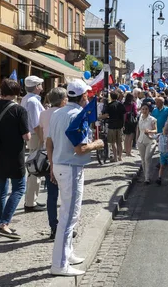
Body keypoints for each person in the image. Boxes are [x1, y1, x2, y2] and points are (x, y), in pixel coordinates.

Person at [47, 80, 103, 277]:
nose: (88, 98)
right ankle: (60, 264)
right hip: (71, 167)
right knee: (68, 218)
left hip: (62, 165)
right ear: (81, 97)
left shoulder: (57, 113)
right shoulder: (77, 116)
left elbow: (50, 141)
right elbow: (80, 149)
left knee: (69, 214)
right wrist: (97, 143)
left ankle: (67, 254)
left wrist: (52, 165)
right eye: (86, 95)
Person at [0, 79, 31, 240]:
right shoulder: (19, 110)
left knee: (0, 189)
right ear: (17, 92)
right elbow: (26, 135)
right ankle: (4, 224)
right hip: (14, 155)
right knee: (19, 188)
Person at [38, 87, 68, 241]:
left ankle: (54, 227)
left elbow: (40, 131)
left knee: (51, 195)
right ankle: (63, 227)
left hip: (48, 155)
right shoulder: (63, 113)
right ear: (63, 99)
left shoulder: (44, 113)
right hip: (61, 156)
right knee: (66, 195)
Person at [20, 75, 46, 212]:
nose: (42, 86)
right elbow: (36, 124)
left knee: (34, 167)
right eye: (40, 84)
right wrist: (43, 139)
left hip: (32, 135)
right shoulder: (33, 101)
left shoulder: (26, 99)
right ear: (36, 87)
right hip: (36, 136)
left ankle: (32, 199)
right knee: (36, 167)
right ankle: (30, 202)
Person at [99, 92, 126, 162]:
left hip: (112, 125)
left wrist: (99, 117)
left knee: (113, 143)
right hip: (119, 125)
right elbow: (124, 115)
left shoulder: (109, 105)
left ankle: (115, 158)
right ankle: (120, 157)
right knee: (119, 142)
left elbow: (106, 115)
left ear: (111, 97)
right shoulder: (121, 105)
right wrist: (123, 124)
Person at [137, 102, 157, 184]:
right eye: (143, 109)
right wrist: (136, 140)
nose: (144, 110)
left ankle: (147, 178)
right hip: (141, 140)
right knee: (143, 159)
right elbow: (138, 129)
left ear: (149, 110)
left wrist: (150, 131)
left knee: (147, 158)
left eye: (146, 109)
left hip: (150, 141)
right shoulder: (140, 118)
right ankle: (146, 176)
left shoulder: (152, 119)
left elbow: (156, 130)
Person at [122, 93, 138, 157]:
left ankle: (126, 151)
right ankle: (129, 152)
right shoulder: (133, 104)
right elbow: (135, 113)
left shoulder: (124, 104)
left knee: (126, 137)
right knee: (131, 137)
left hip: (125, 121)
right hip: (131, 122)